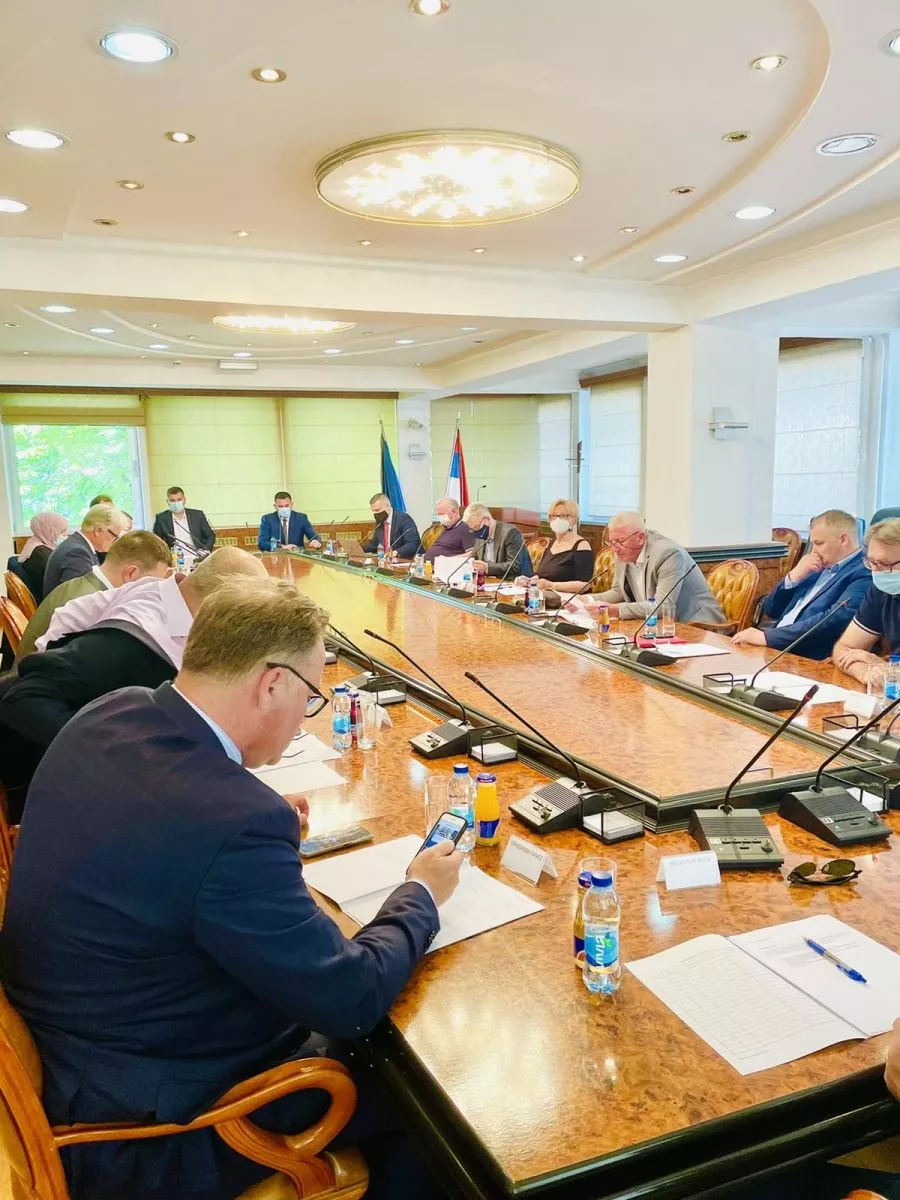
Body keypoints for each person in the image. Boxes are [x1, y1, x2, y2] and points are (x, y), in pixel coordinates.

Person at [1, 577, 461, 1200]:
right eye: (311, 695)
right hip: (150, 1130)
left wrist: (244, 812)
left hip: (81, 1054)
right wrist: (422, 892)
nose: (305, 713)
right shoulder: (233, 821)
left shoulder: (110, 712)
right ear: (272, 684)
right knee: (433, 1106)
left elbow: (160, 817)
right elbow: (350, 997)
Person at [0, 547, 267, 818]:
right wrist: (119, 760)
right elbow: (22, 698)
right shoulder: (132, 641)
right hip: (40, 780)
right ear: (223, 609)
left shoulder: (163, 592)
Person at [732, 510, 870, 659]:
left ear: (843, 540)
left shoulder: (864, 572)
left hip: (805, 656)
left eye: (819, 543)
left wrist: (767, 637)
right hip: (774, 647)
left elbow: (833, 620)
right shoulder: (814, 565)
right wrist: (793, 577)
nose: (813, 551)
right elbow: (771, 610)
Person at [17, 530, 172, 660]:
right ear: (130, 573)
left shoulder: (87, 585)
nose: (152, 591)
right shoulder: (89, 605)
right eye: (151, 584)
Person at [584, 511, 724, 622]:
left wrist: (615, 610)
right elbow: (619, 592)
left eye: (619, 541)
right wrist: (586, 600)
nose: (615, 549)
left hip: (698, 625)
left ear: (640, 537)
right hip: (658, 625)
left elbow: (663, 606)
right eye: (612, 542)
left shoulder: (668, 553)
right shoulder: (622, 551)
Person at [834, 518, 900, 683]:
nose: (876, 572)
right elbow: (844, 648)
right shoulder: (881, 590)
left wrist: (885, 667)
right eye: (872, 563)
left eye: (885, 563)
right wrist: (865, 672)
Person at [42, 504, 130, 594]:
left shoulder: (79, 545)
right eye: (115, 536)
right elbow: (80, 597)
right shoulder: (76, 552)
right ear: (98, 530)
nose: (115, 541)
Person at [525, 499, 594, 594]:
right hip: (544, 595)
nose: (557, 519)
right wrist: (529, 581)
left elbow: (585, 585)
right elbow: (544, 575)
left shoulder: (581, 546)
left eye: (563, 516)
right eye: (553, 515)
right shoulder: (552, 544)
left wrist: (552, 585)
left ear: (573, 520)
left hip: (567, 598)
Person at [9, 512, 68, 602]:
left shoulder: (35, 543)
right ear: (48, 530)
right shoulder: (40, 553)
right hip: (47, 602)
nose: (66, 535)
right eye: (62, 531)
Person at [463, 502, 531, 579]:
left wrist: (488, 568)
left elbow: (514, 565)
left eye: (476, 527)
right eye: (472, 529)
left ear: (487, 519)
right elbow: (476, 558)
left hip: (514, 581)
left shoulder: (510, 533)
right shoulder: (481, 535)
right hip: (490, 582)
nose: (475, 531)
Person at [153, 485, 216, 558]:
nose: (176, 503)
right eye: (172, 500)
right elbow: (156, 542)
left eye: (179, 499)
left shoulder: (198, 515)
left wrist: (205, 550)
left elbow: (210, 536)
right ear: (168, 501)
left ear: (184, 500)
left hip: (198, 556)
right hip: (174, 558)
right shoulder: (161, 518)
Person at [362, 492, 420, 559]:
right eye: (374, 511)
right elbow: (374, 545)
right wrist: (358, 549)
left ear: (387, 506)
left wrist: (396, 552)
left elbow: (413, 543)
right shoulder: (379, 522)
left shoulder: (403, 519)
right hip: (386, 560)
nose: (376, 513)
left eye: (378, 510)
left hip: (405, 559)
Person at [424, 497, 475, 563]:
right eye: (438, 514)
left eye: (442, 514)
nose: (440, 517)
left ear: (454, 512)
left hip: (447, 567)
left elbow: (472, 553)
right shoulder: (443, 529)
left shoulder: (464, 528)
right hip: (428, 566)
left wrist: (447, 560)